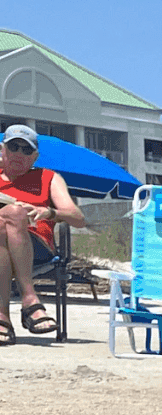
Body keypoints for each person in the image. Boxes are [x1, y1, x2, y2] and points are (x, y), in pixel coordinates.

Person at [0, 125, 86, 343]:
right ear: (3, 149)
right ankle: (15, 311)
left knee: (13, 213)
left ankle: (27, 298)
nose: (19, 153)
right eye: (13, 147)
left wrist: (49, 211)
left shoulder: (48, 177)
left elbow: (78, 218)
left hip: (36, 246)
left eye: (26, 150)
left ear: (35, 156)